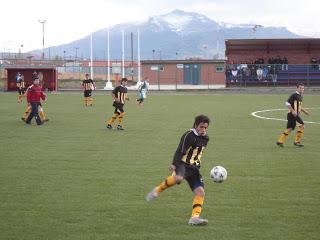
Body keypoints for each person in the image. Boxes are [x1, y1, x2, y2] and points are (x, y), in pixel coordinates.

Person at [146, 115, 211, 226]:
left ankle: (194, 218)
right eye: (201, 127)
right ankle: (157, 190)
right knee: (178, 178)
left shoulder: (206, 138)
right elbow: (180, 151)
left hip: (194, 169)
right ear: (195, 125)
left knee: (200, 192)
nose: (203, 130)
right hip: (183, 164)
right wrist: (174, 164)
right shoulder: (188, 136)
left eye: (205, 127)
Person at [276, 83, 310, 147]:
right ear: (297, 88)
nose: (302, 89)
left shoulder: (300, 96)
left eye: (303, 88)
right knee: (302, 125)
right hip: (293, 114)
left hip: (293, 114)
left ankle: (280, 141)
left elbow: (298, 106)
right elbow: (287, 103)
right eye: (300, 88)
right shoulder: (294, 95)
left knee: (290, 128)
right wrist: (293, 111)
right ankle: (297, 142)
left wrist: (304, 111)